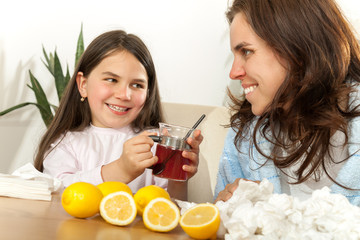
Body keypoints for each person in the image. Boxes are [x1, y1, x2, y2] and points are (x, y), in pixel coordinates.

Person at [214, 0, 360, 206]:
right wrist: (226, 211)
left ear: (295, 48)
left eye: (246, 51)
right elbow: (211, 224)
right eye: (235, 56)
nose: (234, 72)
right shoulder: (244, 136)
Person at [34, 30, 203, 200]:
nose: (124, 95)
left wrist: (179, 178)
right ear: (83, 84)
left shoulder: (155, 144)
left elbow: (169, 208)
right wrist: (121, 170)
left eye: (137, 85)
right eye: (111, 80)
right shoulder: (65, 144)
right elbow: (57, 194)